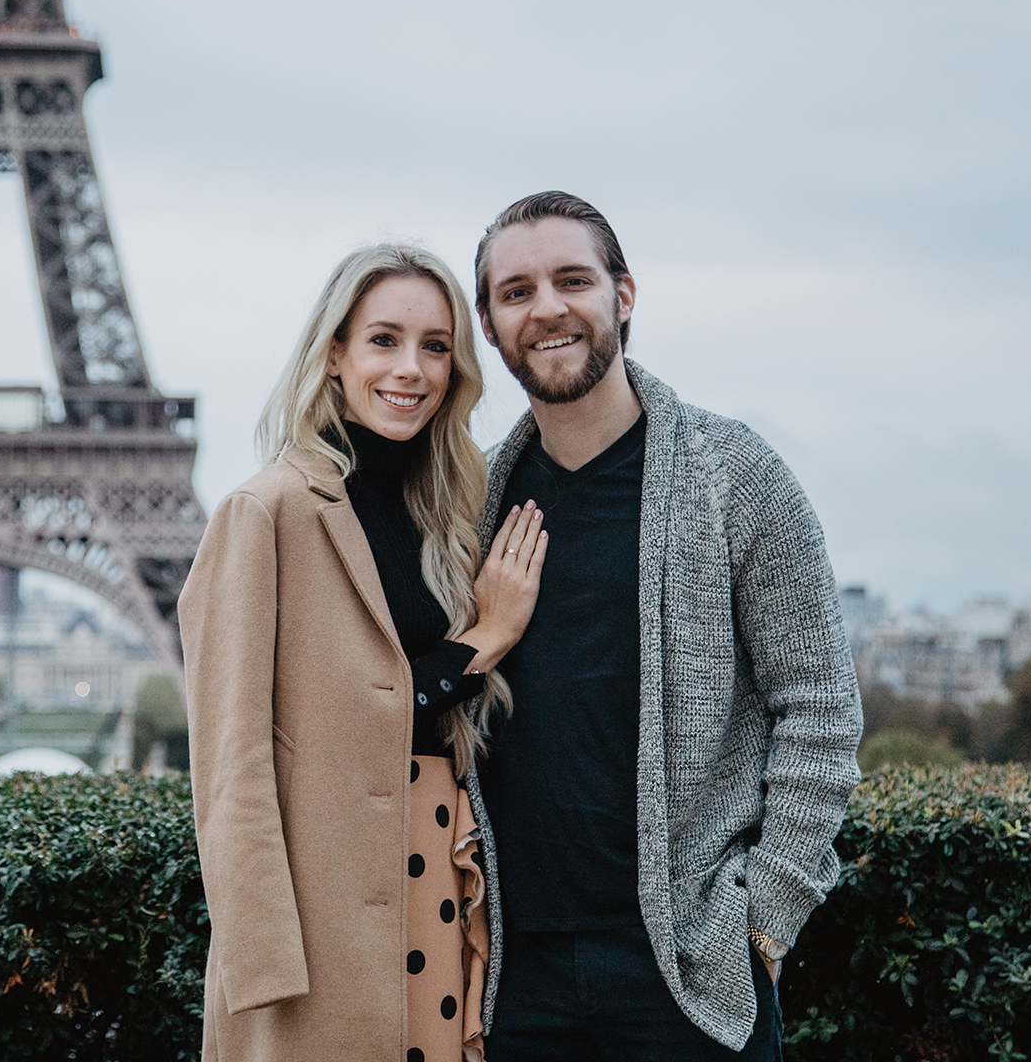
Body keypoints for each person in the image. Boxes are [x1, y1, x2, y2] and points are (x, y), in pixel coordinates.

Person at [465, 192, 864, 1061]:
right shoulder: (471, 502)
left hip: (691, 970)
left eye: (573, 280)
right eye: (516, 291)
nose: (548, 308)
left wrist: (765, 922)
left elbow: (822, 707)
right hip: (512, 975)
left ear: (625, 295)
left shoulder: (738, 478)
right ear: (490, 327)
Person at [181, 243, 548, 1062]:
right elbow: (232, 765)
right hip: (321, 912)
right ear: (335, 352)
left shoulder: (453, 517)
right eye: (384, 339)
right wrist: (481, 641)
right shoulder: (266, 511)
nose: (410, 368)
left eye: (436, 345)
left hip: (446, 882)